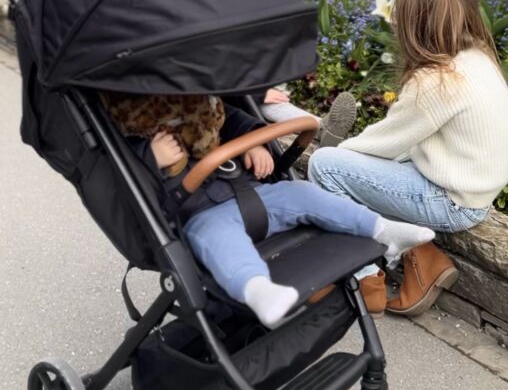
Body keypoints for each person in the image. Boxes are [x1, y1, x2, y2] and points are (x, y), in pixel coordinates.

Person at [104, 92, 434, 328]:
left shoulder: (198, 102)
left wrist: (255, 142)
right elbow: (120, 174)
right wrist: (149, 155)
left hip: (253, 191)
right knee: (222, 243)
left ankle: (382, 231)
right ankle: (258, 290)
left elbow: (230, 117)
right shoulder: (130, 131)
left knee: (303, 193)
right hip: (198, 214)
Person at [308, 0, 508, 316]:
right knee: (368, 168)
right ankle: (421, 256)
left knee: (326, 168)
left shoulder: (437, 80)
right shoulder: (478, 58)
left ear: (414, 22)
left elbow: (384, 143)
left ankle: (363, 278)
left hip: (450, 200)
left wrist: (333, 153)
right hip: (474, 191)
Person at [256, 86, 358, 148]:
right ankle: (323, 129)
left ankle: (323, 128)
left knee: (278, 106)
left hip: (252, 88)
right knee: (274, 107)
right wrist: (259, 93)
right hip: (248, 95)